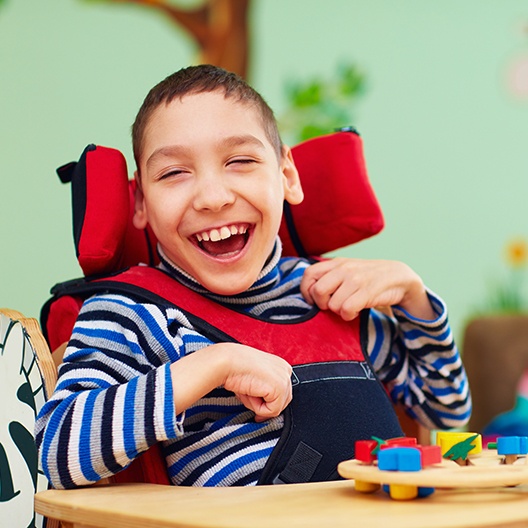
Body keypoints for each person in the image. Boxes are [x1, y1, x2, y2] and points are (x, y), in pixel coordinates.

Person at [35, 64, 471, 489]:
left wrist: (415, 297)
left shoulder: (332, 294)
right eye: (173, 173)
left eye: (240, 160)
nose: (213, 197)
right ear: (141, 204)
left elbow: (446, 412)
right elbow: (51, 453)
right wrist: (211, 365)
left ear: (286, 176)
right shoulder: (133, 312)